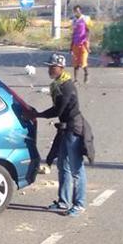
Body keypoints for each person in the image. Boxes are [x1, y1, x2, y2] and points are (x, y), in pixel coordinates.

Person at [26, 54, 90, 217]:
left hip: (74, 129)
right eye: (49, 66)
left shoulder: (66, 86)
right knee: (63, 166)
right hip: (65, 129)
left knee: (76, 168)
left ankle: (79, 204)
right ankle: (63, 201)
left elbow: (58, 110)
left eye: (52, 67)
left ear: (60, 68)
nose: (49, 69)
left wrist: (38, 115)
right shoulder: (58, 84)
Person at [71, 5, 91, 85]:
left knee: (83, 62)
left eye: (78, 10)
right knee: (76, 63)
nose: (77, 12)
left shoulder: (85, 19)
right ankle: (75, 80)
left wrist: (86, 40)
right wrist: (71, 45)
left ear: (81, 11)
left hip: (83, 43)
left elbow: (89, 30)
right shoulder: (74, 20)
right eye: (75, 11)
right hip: (76, 43)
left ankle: (86, 74)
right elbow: (73, 33)